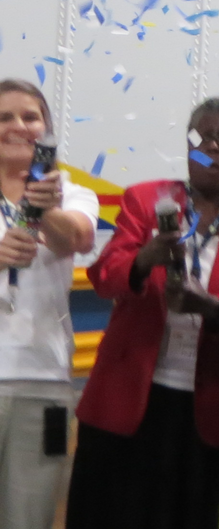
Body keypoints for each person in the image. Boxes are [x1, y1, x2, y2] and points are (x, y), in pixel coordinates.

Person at [68, 97, 219, 529]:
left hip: (217, 404)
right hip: (130, 400)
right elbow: (105, 277)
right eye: (199, 139)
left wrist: (213, 309)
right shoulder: (148, 200)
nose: (208, 149)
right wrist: (145, 258)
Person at [0, 78, 99, 529]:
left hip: (44, 382)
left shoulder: (73, 193)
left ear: (47, 128)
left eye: (30, 116)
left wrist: (47, 210)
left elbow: (76, 237)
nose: (19, 126)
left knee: (30, 519)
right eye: (5, 117)